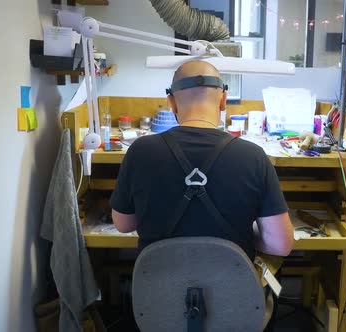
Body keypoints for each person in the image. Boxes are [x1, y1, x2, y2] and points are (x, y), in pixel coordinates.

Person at [109, 60, 293, 259]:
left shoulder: (140, 151)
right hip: (233, 285)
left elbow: (123, 224)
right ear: (223, 100)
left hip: (159, 284)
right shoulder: (254, 156)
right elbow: (280, 245)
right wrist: (243, 240)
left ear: (171, 103)